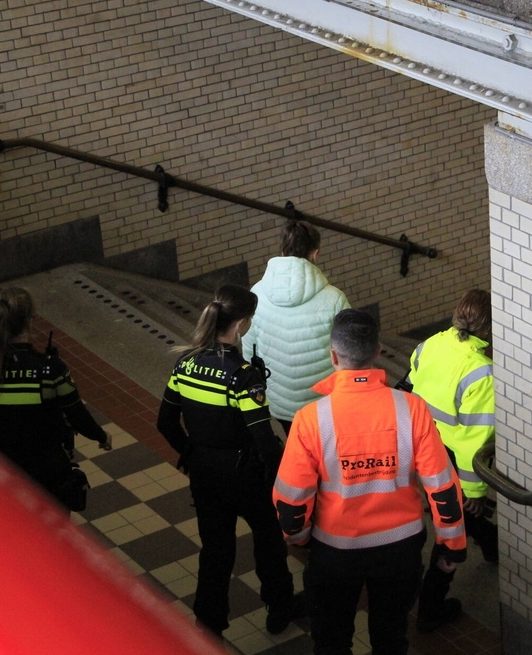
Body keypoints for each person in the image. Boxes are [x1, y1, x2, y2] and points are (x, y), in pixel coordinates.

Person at [273, 309, 467, 655]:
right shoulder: (412, 409)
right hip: (401, 549)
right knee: (391, 639)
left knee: (331, 642)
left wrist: (299, 537)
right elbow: (443, 487)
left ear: (333, 356)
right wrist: (452, 546)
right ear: (378, 351)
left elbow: (291, 499)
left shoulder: (310, 419)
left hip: (334, 551)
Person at [157, 284, 302, 638]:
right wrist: (282, 472)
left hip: (205, 474)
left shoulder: (185, 364)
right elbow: (263, 439)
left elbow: (164, 423)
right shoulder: (242, 376)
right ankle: (279, 608)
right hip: (247, 476)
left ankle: (209, 625)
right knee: (268, 542)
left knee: (216, 551)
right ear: (240, 325)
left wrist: (191, 453)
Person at [0, 287, 112, 509]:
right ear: (30, 321)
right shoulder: (50, 370)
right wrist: (102, 437)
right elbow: (77, 415)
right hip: (47, 477)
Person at [406, 288, 499, 633]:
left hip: (421, 451)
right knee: (451, 529)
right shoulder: (482, 373)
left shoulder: (430, 344)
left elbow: (413, 388)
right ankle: (431, 605)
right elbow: (473, 441)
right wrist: (475, 492)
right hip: (452, 464)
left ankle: (491, 543)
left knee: (452, 516)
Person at [242, 220, 349, 435]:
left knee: (295, 447)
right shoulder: (334, 299)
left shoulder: (257, 293)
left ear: (282, 251)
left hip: (279, 402)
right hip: (322, 405)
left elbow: (249, 351)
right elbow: (351, 353)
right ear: (315, 254)